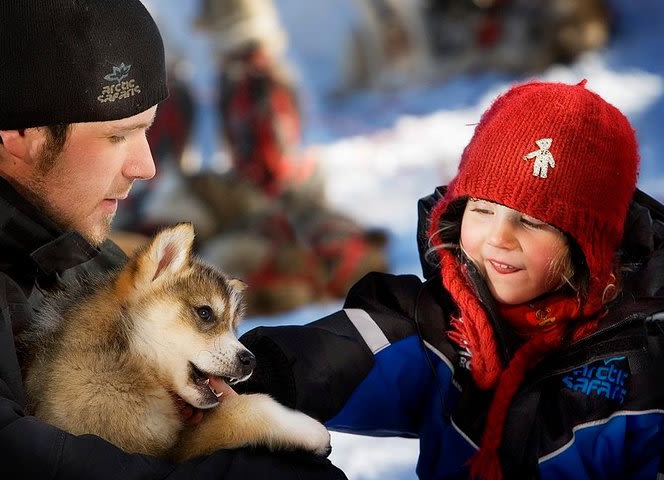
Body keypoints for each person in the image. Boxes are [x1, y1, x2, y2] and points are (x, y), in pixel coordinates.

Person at [0, 1, 346, 479]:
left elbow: (162, 363)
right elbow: (5, 455)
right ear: (17, 133)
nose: (146, 166)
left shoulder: (64, 244)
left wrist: (352, 344)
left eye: (149, 131)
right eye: (119, 135)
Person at [238, 80, 664, 479]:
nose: (498, 237)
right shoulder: (439, 324)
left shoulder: (645, 370)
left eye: (531, 222)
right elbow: (339, 357)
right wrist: (255, 372)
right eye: (481, 210)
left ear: (586, 246)